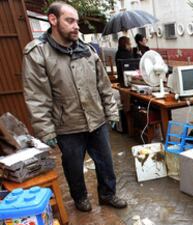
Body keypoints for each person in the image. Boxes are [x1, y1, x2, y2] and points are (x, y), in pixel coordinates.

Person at [22, 1, 127, 212]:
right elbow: (37, 97)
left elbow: (103, 86)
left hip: (96, 120)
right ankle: (80, 198)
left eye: (76, 21)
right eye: (70, 21)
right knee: (73, 168)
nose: (76, 26)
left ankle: (108, 194)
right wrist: (46, 130)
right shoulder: (38, 53)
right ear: (53, 20)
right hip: (66, 125)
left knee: (106, 163)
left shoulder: (87, 51)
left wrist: (111, 111)